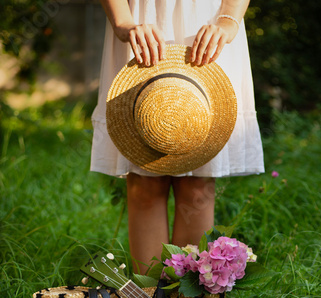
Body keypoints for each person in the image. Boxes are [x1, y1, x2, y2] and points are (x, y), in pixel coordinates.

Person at [90, 0, 264, 274]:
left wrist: (228, 20)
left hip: (208, 23)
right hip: (142, 21)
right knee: (144, 181)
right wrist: (122, 21)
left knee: (197, 186)